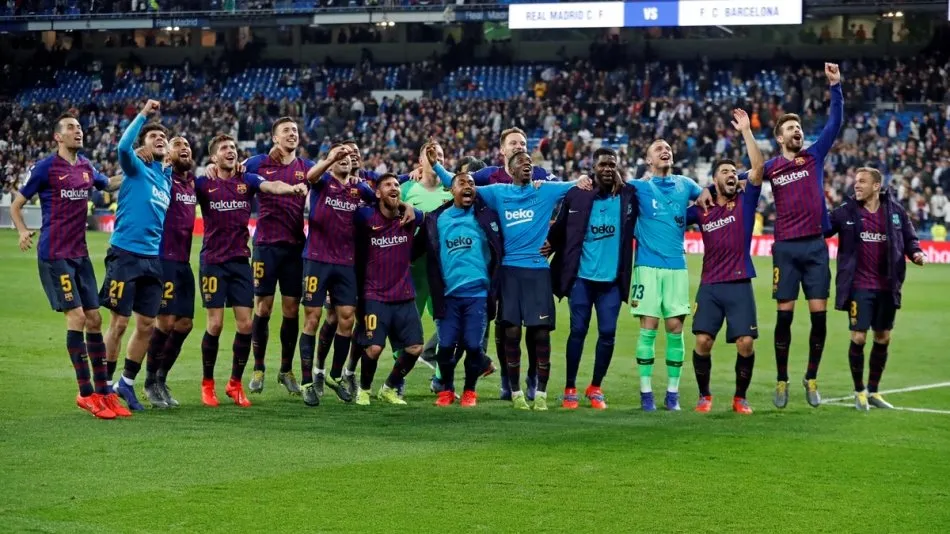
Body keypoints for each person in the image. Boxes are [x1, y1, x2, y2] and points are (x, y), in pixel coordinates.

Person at [436, 151, 591, 410]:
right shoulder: (497, 192)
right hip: (509, 271)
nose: (526, 164)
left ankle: (540, 393)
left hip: (538, 270)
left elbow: (577, 186)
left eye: (529, 162)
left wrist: (584, 178)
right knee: (511, 332)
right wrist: (435, 166)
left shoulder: (546, 190)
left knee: (541, 334)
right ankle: (516, 391)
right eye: (520, 162)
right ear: (510, 169)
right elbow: (458, 181)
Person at [9, 112, 126, 419]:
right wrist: (22, 230)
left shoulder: (86, 166)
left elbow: (109, 185)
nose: (79, 131)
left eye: (79, 127)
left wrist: (138, 169)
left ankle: (104, 393)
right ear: (58, 137)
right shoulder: (46, 168)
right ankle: (85, 393)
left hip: (80, 255)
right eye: (71, 128)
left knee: (95, 319)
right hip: (55, 254)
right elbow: (16, 204)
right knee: (76, 316)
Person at [432, 128, 549, 398]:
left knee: (530, 331)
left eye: (523, 142)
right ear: (503, 151)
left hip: (511, 272)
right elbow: (457, 181)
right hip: (480, 277)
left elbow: (565, 195)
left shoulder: (539, 176)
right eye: (513, 143)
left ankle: (521, 383)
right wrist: (433, 167)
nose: (519, 146)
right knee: (499, 331)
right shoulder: (488, 178)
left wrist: (552, 236)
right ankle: (498, 384)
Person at [195, 134, 308, 408]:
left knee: (246, 324)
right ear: (214, 158)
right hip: (212, 261)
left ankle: (235, 383)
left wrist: (292, 189)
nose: (230, 151)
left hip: (239, 262)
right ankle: (207, 383)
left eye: (233, 147)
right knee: (216, 324)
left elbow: (272, 184)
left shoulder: (247, 180)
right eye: (224, 148)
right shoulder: (203, 183)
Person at [299, 144, 412, 406]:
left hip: (346, 263)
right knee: (313, 319)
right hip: (316, 259)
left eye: (348, 157)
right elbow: (310, 177)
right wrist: (330, 159)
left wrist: (404, 204)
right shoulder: (323, 179)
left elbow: (384, 198)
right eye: (339, 155)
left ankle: (336, 376)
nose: (344, 159)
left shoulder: (359, 188)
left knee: (347, 320)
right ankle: (307, 381)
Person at [764, 63, 843, 408]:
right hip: (784, 248)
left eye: (799, 127)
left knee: (818, 316)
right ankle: (781, 380)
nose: (797, 131)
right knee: (785, 316)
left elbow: (834, 123)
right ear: (780, 138)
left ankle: (810, 378)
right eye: (790, 129)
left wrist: (835, 86)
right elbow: (739, 178)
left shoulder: (814, 155)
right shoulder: (770, 168)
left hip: (814, 246)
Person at [545, 147, 638, 410]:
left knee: (608, 333)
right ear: (593, 168)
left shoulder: (628, 196)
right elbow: (561, 225)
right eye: (603, 165)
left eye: (612, 164)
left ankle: (596, 387)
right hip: (582, 279)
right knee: (578, 331)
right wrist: (550, 244)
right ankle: (570, 387)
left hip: (611, 281)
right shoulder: (578, 194)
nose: (608, 169)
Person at [826, 167, 925, 410]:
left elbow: (910, 239)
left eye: (862, 181)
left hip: (887, 286)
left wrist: (917, 252)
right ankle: (859, 390)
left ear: (876, 186)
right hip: (859, 286)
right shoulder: (846, 211)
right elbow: (823, 228)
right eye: (855, 181)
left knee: (883, 337)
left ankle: (874, 391)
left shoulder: (895, 212)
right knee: (858, 337)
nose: (856, 185)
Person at [687, 109, 764, 415]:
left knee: (746, 342)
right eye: (725, 172)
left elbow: (758, 168)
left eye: (734, 172)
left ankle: (740, 397)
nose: (732, 175)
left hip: (739, 283)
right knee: (703, 341)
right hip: (710, 285)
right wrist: (701, 191)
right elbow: (674, 213)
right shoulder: (701, 209)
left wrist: (746, 131)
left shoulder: (745, 201)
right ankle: (704, 395)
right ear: (713, 180)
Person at [627, 139, 714, 412]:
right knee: (648, 328)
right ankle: (646, 393)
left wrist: (706, 193)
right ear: (649, 160)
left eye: (668, 149)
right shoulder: (638, 187)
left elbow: (708, 196)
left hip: (676, 266)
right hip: (647, 267)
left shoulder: (686, 185)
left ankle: (673, 394)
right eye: (657, 149)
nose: (665, 151)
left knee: (676, 330)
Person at [101, 99, 173, 412]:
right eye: (153, 137)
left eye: (163, 138)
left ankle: (125, 384)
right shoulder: (135, 166)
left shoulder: (165, 179)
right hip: (125, 254)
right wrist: (143, 114)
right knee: (118, 324)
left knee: (147, 325)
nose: (159, 140)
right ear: (142, 145)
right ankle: (103, 386)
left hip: (152, 259)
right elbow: (121, 149)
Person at [244, 117, 315, 397]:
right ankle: (258, 368)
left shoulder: (306, 168)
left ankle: (286, 370)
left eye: (295, 131)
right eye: (286, 130)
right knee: (262, 308)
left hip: (295, 248)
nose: (292, 134)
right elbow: (232, 172)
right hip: (265, 246)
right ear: (274, 137)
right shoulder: (257, 163)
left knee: (290, 310)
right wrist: (213, 166)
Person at [420, 171, 504, 407]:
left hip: (477, 295)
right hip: (448, 295)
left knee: (473, 346)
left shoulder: (485, 217)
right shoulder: (438, 219)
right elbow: (418, 246)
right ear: (451, 190)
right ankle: (446, 390)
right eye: (462, 183)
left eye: (472, 183)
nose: (468, 186)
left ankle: (470, 391)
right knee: (445, 347)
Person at [352, 174, 427, 406]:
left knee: (415, 348)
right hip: (375, 296)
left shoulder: (409, 218)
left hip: (404, 296)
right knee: (374, 348)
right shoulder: (366, 216)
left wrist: (408, 206)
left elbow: (424, 217)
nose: (394, 187)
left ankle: (389, 387)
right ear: (378, 193)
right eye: (388, 185)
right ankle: (363, 389)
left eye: (397, 185)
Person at [143, 136, 197, 408]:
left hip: (184, 261)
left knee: (185, 324)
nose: (184, 148)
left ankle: (162, 377)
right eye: (178, 144)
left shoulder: (193, 183)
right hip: (163, 259)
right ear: (168, 153)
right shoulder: (162, 177)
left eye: (187, 145)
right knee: (164, 323)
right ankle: (149, 381)